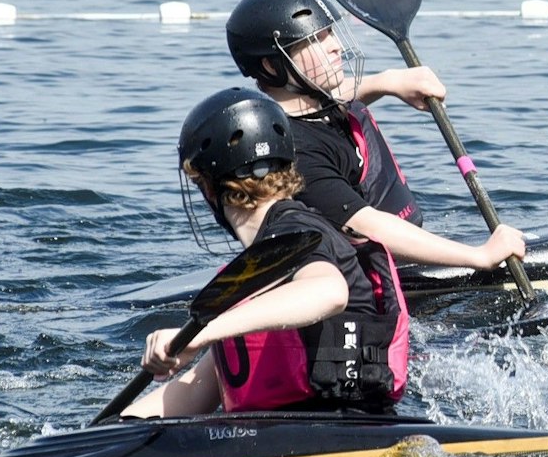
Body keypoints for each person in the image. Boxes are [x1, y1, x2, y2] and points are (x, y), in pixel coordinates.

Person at [124, 88, 410, 418]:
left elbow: (329, 291)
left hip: (340, 427)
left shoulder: (294, 234)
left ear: (207, 186)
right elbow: (198, 388)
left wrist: (200, 333)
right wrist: (106, 433)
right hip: (299, 428)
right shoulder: (259, 263)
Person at [225, 0, 526, 273]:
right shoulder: (294, 152)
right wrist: (478, 256)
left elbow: (335, 98)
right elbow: (368, 225)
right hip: (360, 277)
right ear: (270, 66)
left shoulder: (314, 105)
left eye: (331, 33)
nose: (337, 47)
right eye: (317, 39)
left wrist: (389, 82)